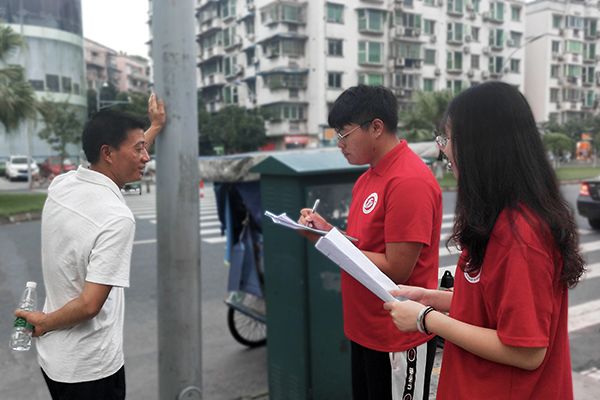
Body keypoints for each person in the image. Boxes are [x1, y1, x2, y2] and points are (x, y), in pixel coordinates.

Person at [383, 82, 585, 400]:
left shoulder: (521, 234)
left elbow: (526, 351)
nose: (444, 149)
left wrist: (425, 320)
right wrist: (429, 298)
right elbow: (489, 306)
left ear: (481, 145)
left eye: (449, 138)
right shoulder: (497, 217)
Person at [14, 94, 165, 400]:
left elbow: (117, 159)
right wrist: (43, 323)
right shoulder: (116, 218)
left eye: (144, 147)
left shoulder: (62, 185)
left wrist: (154, 128)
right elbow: (89, 306)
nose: (146, 157)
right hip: (91, 370)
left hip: (55, 360)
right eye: (139, 149)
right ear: (107, 152)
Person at [298, 84, 442, 400]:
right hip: (365, 329)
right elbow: (365, 245)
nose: (339, 144)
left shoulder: (408, 180)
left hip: (397, 334)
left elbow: (397, 269)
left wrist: (331, 241)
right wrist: (326, 232)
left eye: (344, 134)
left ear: (376, 127)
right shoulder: (367, 178)